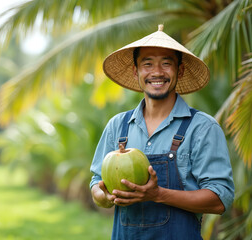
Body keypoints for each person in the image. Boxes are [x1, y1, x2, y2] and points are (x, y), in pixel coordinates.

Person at [89, 24, 234, 240]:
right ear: (136, 71)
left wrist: (158, 195)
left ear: (180, 70)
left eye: (166, 63)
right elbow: (96, 185)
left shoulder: (202, 128)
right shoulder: (118, 127)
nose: (157, 72)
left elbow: (220, 200)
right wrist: (106, 196)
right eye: (147, 64)